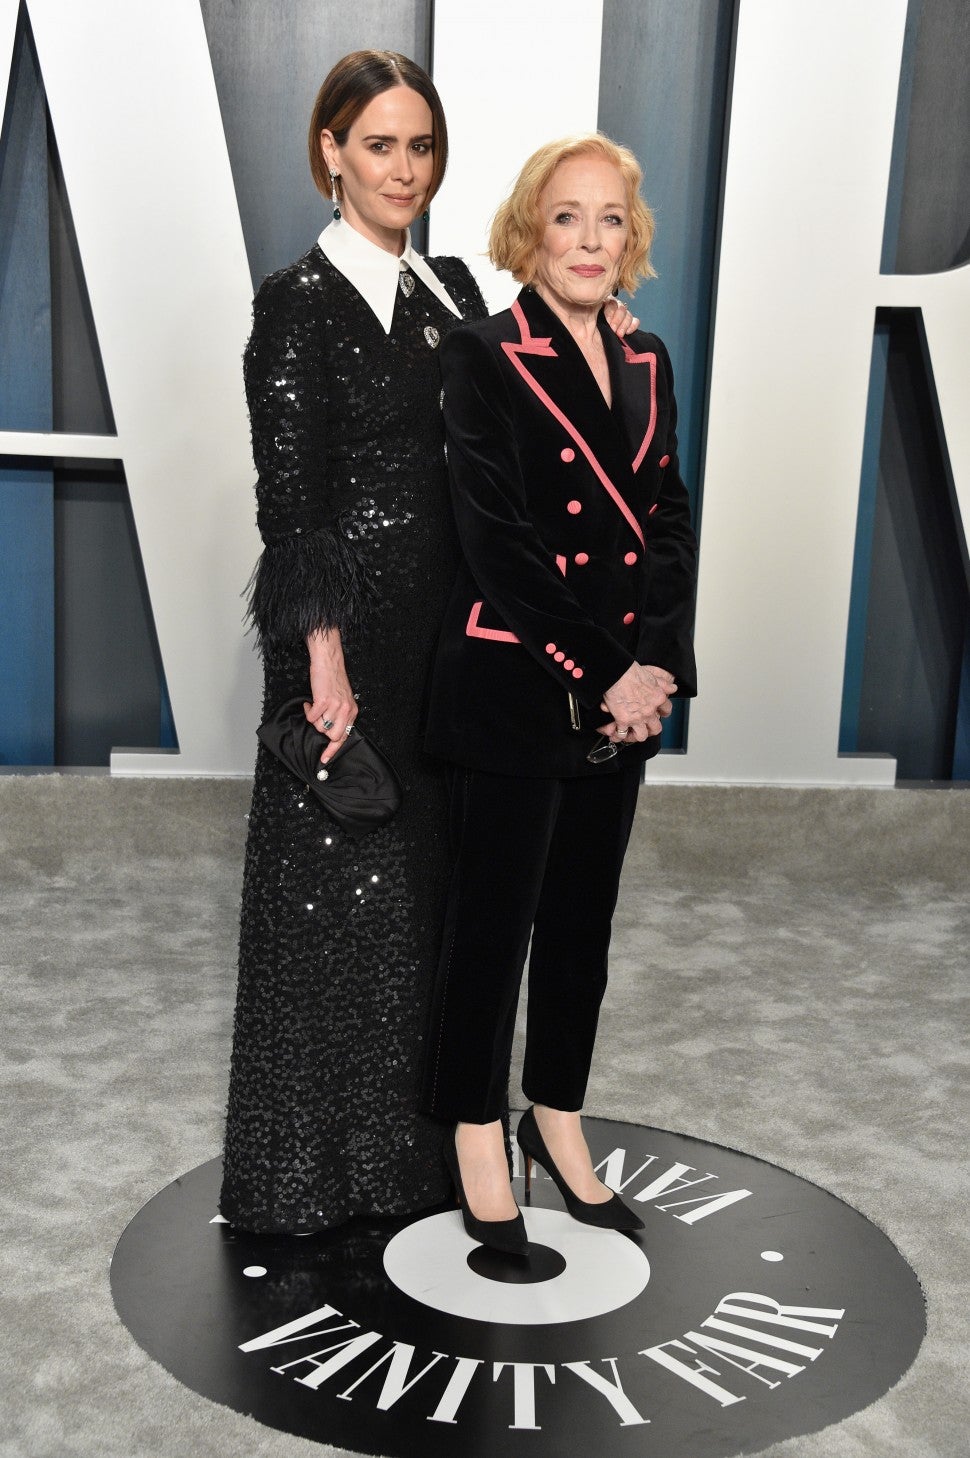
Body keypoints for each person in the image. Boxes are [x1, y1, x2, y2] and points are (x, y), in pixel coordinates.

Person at [220, 55, 641, 1234]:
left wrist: (599, 316)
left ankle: (424, 1160)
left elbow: (527, 372)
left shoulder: (455, 288)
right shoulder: (296, 302)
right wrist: (322, 660)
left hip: (459, 642)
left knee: (438, 902)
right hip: (349, 641)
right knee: (335, 902)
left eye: (420, 149)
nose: (402, 170)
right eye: (379, 147)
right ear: (331, 155)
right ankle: (310, 1173)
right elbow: (290, 502)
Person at [421, 134, 698, 1253]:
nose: (589, 240)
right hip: (520, 683)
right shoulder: (483, 356)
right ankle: (477, 1132)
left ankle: (556, 1116)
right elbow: (501, 547)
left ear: (631, 240)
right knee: (490, 932)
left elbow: (667, 517)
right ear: (528, 230)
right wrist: (607, 673)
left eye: (611, 220)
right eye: (567, 217)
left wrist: (662, 665)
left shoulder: (648, 358)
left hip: (626, 692)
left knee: (581, 926)